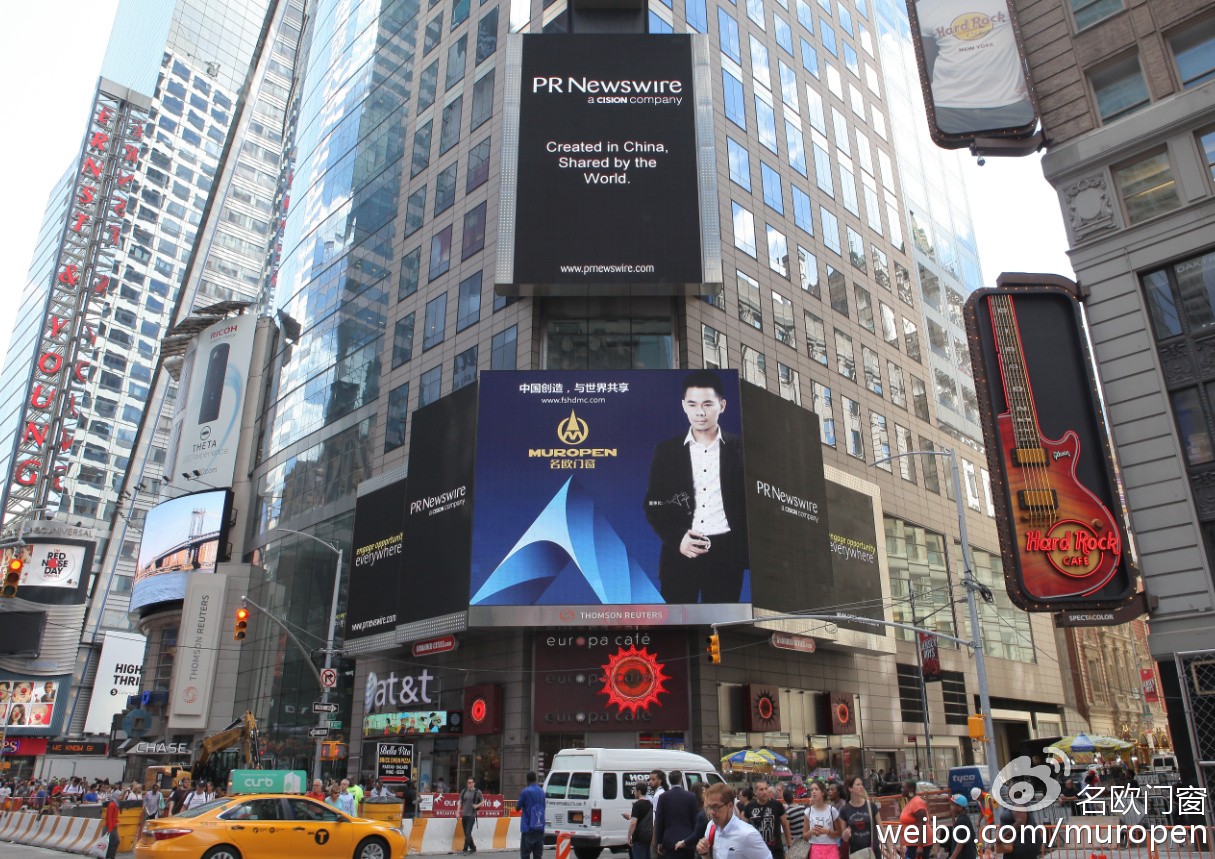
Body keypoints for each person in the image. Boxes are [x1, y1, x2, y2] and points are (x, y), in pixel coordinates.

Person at [644, 370, 749, 603]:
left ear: (722, 405)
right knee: (677, 624)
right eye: (692, 404)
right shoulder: (667, 451)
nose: (700, 412)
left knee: (722, 624)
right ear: (684, 406)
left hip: (726, 554)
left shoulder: (742, 449)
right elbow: (653, 505)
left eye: (707, 404)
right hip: (680, 552)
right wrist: (678, 539)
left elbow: (754, 504)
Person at [915, 0, 1035, 136]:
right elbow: (926, 65)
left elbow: (1036, 33)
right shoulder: (923, 8)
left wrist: (1032, 83)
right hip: (947, 109)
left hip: (1011, 103)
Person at [696, 783, 771, 859]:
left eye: (716, 807)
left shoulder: (748, 834)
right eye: (709, 807)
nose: (712, 812)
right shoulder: (711, 827)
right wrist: (704, 853)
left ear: (730, 806)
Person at [657, 770, 700, 859]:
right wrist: (695, 839)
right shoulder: (691, 796)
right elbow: (695, 820)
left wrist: (659, 842)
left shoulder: (663, 797)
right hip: (688, 839)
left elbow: (659, 821)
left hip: (669, 840)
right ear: (681, 780)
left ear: (669, 781)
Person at [745, 781, 791, 859]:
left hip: (775, 850)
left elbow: (785, 824)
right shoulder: (749, 807)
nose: (764, 792)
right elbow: (744, 828)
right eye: (761, 789)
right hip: (757, 850)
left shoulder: (777, 804)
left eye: (766, 789)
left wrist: (789, 844)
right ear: (755, 792)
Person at [803, 781, 844, 859]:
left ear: (823, 792)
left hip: (831, 848)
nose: (814, 792)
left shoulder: (832, 810)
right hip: (815, 848)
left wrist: (827, 832)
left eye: (816, 789)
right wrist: (811, 832)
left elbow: (839, 833)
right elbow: (804, 836)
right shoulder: (808, 812)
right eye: (812, 790)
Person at [840, 776, 878, 859]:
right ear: (850, 788)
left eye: (861, 784)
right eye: (858, 784)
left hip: (872, 852)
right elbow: (843, 837)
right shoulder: (844, 810)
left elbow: (882, 829)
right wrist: (845, 836)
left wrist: (890, 851)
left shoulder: (871, 806)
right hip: (855, 853)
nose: (861, 787)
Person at [897, 781, 930, 859]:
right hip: (912, 843)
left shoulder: (917, 802)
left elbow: (922, 824)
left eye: (904, 788)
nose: (901, 789)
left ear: (911, 789)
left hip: (919, 844)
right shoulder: (911, 802)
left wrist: (920, 846)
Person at [519, 770, 547, 859]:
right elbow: (544, 806)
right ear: (535, 779)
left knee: (525, 854)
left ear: (527, 780)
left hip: (528, 828)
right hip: (539, 827)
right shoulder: (542, 792)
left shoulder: (525, 792)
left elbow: (518, 807)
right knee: (538, 855)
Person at [628, 782, 656, 859]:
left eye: (635, 791)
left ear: (639, 791)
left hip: (638, 838)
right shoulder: (650, 804)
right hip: (648, 836)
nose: (634, 793)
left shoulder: (636, 805)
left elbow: (633, 823)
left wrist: (629, 837)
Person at [460, 777, 485, 853]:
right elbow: (460, 801)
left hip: (471, 815)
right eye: (468, 782)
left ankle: (465, 849)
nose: (469, 784)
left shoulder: (477, 792)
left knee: (468, 832)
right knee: (466, 833)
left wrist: (477, 806)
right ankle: (473, 848)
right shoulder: (464, 791)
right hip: (464, 815)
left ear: (474, 783)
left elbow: (483, 801)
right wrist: (457, 811)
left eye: (470, 782)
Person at [783, 786, 808, 859]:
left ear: (784, 799)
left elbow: (787, 829)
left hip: (795, 841)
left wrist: (789, 843)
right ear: (793, 796)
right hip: (805, 840)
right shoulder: (803, 807)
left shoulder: (787, 812)